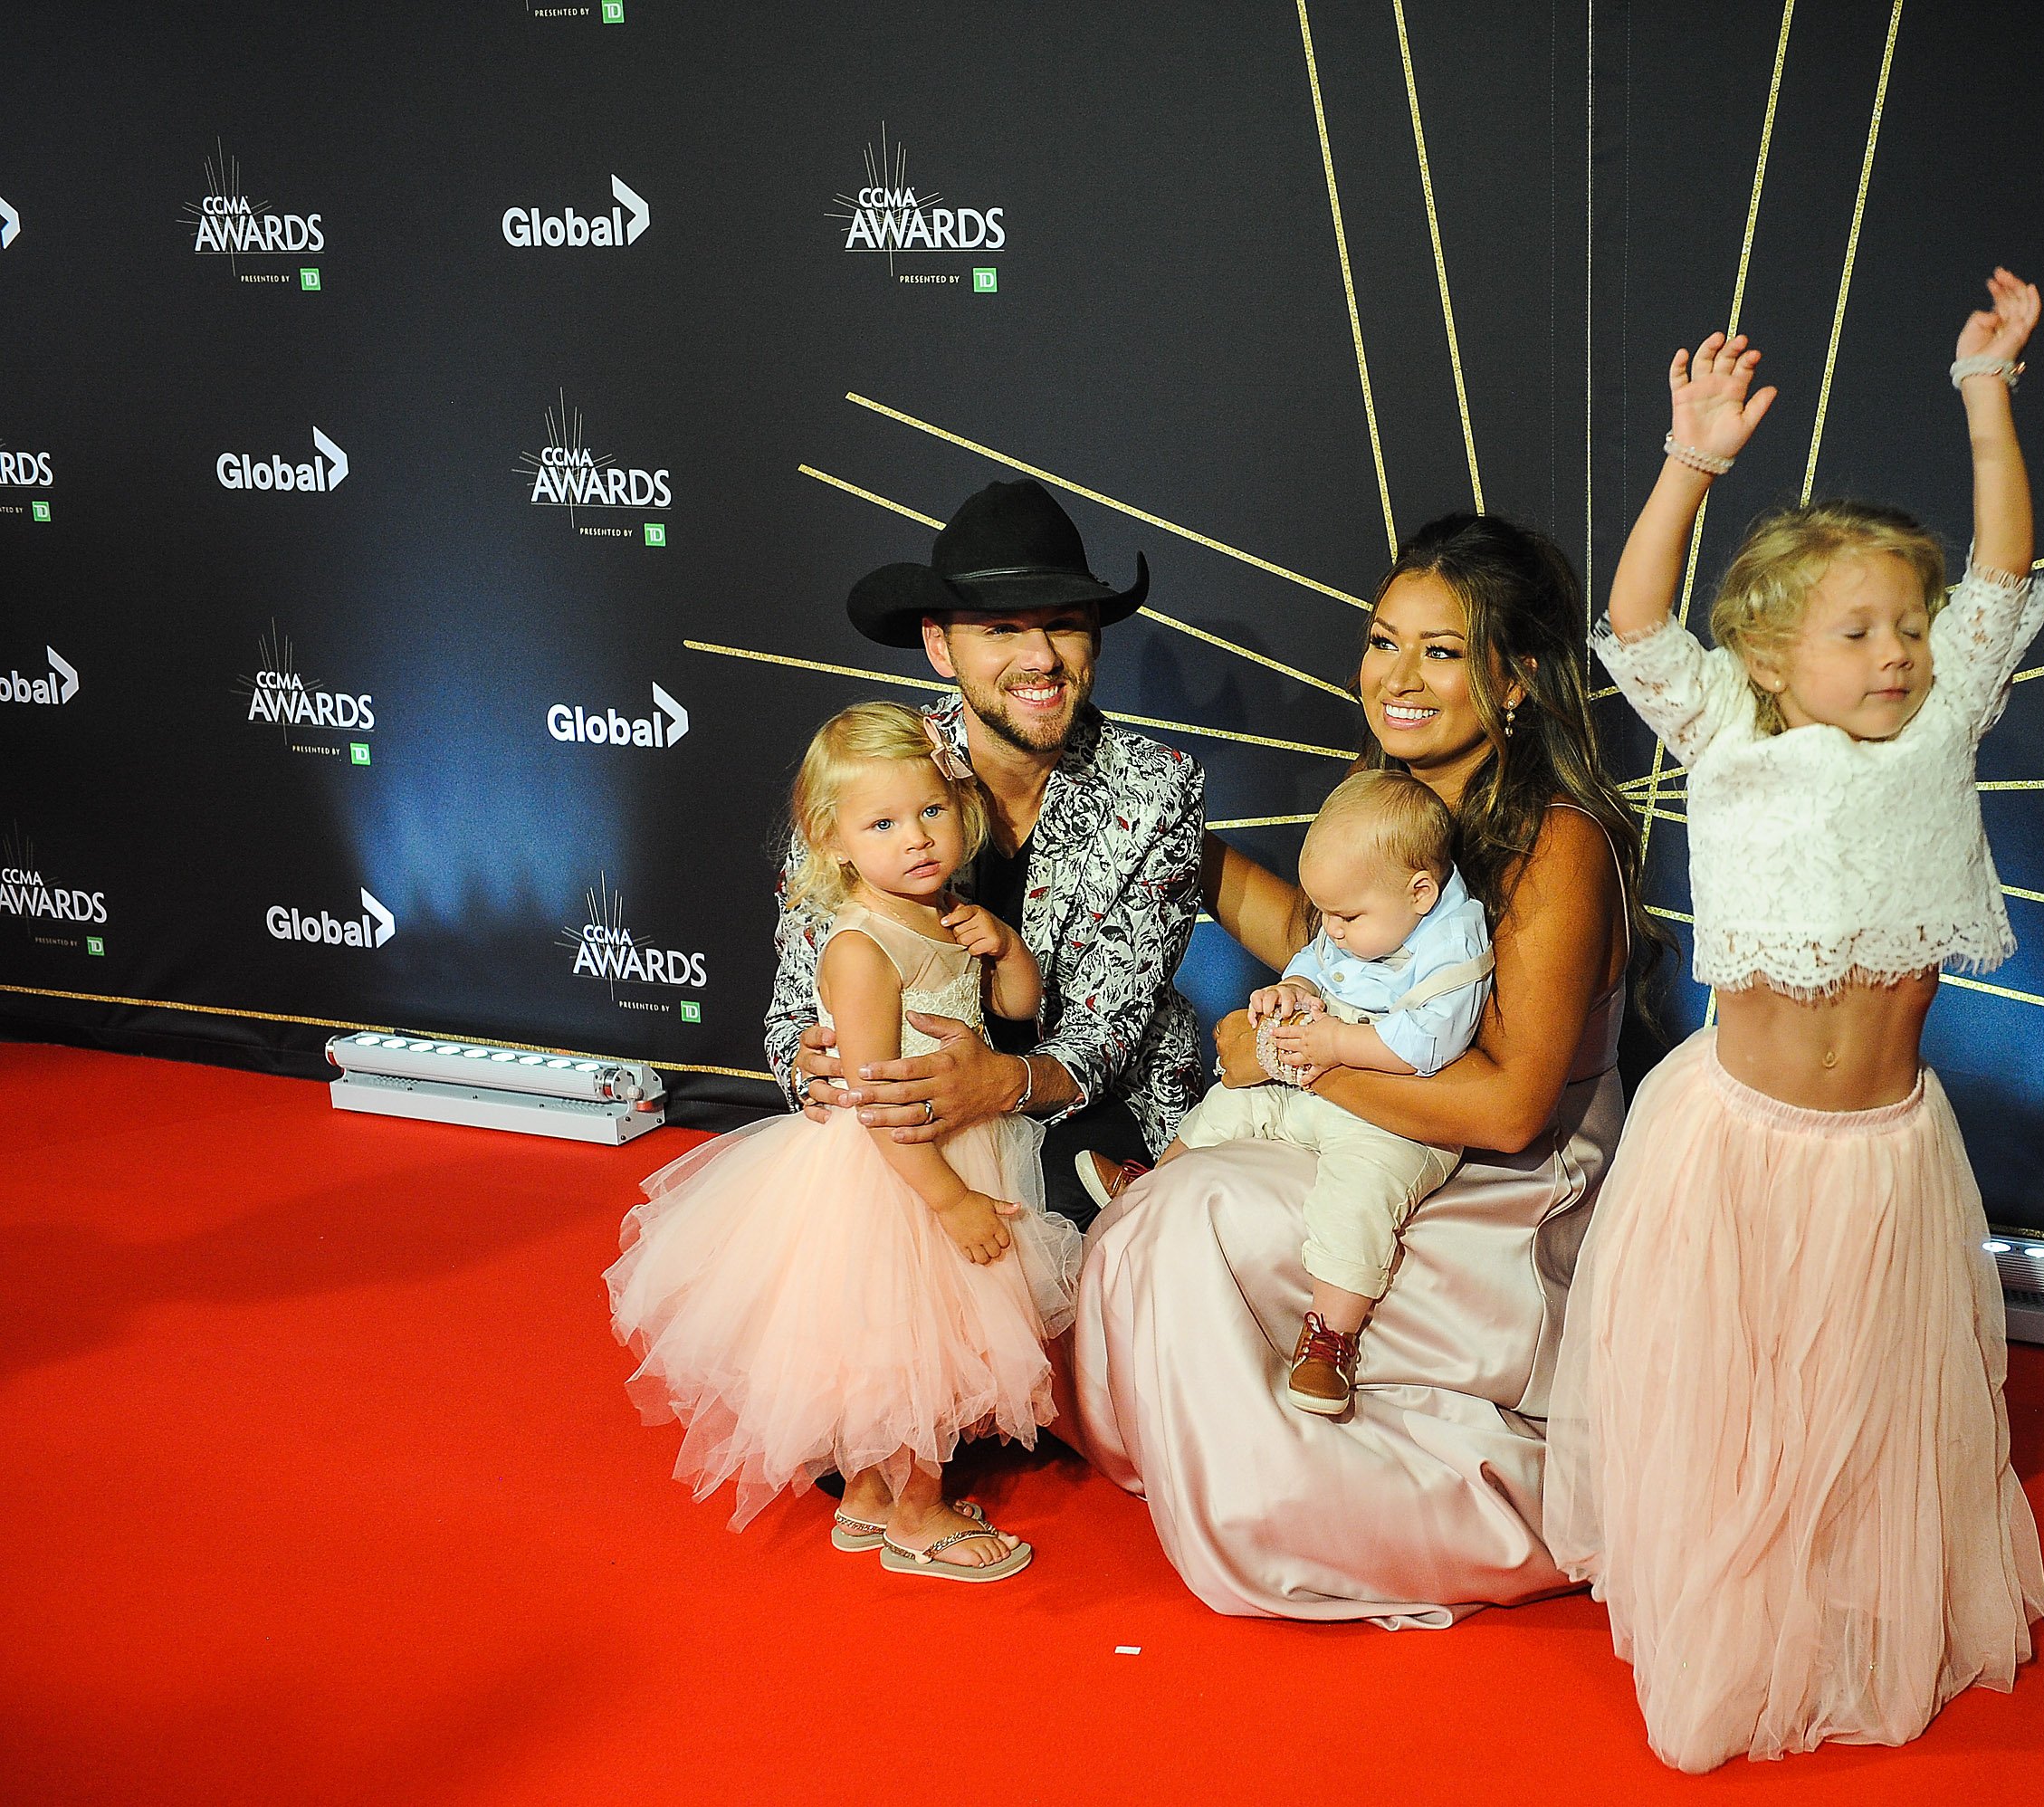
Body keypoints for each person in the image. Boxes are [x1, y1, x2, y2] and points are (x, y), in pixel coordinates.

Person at [1546, 274, 2044, 1768]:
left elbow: (2004, 569)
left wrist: (1985, 393)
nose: (1897, 650)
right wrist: (1691, 462)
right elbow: (1635, 618)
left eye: (1908, 624)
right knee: (1738, 1401)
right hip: (1735, 1144)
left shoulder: (1943, 726)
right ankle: (1728, 1614)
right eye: (1857, 630)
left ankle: (1844, 1608)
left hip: (1883, 1150)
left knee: (1867, 1408)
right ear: (1771, 659)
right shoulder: (1725, 731)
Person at [1071, 512, 1665, 1627]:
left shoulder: (1557, 839)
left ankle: (1279, 1502)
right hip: (1389, 1133)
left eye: (1442, 652)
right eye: (1385, 640)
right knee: (1176, 1202)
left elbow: (1507, 1104)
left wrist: (1290, 1059)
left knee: (1192, 1207)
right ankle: (1221, 1444)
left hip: (1507, 1189)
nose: (1398, 676)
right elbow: (1320, 929)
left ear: (1517, 678)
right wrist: (1174, 846)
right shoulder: (1399, 802)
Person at [607, 703, 1081, 1581]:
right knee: (921, 1348)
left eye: (933, 811)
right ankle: (919, 1509)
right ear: (832, 841)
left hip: (951, 1139)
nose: (917, 839)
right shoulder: (860, 948)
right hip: (900, 1172)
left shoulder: (947, 912)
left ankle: (866, 1495)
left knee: (895, 1343)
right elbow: (872, 1095)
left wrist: (1005, 947)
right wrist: (950, 1199)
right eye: (884, 823)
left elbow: (1019, 1012)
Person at [767, 478, 1208, 1230]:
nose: (1041, 657)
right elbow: (793, 1009)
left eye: (1065, 624)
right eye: (1002, 629)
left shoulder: (1157, 791)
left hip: (1085, 1102)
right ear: (940, 646)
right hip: (909, 1117)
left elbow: (1113, 1031)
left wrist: (997, 1084)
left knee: (1060, 1227)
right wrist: (815, 1071)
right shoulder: (881, 774)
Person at [1136, 766, 1493, 1417]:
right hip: (1318, 1079)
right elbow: (1313, 964)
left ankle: (1330, 1334)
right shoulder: (1356, 914)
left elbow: (1426, 1048)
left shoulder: (1453, 946)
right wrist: (1293, 994)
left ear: (1421, 893)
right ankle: (1155, 1184)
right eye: (1324, 912)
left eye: (1345, 916)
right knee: (1232, 1101)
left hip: (1397, 1115)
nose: (1330, 928)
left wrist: (1333, 1046)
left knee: (1359, 1194)